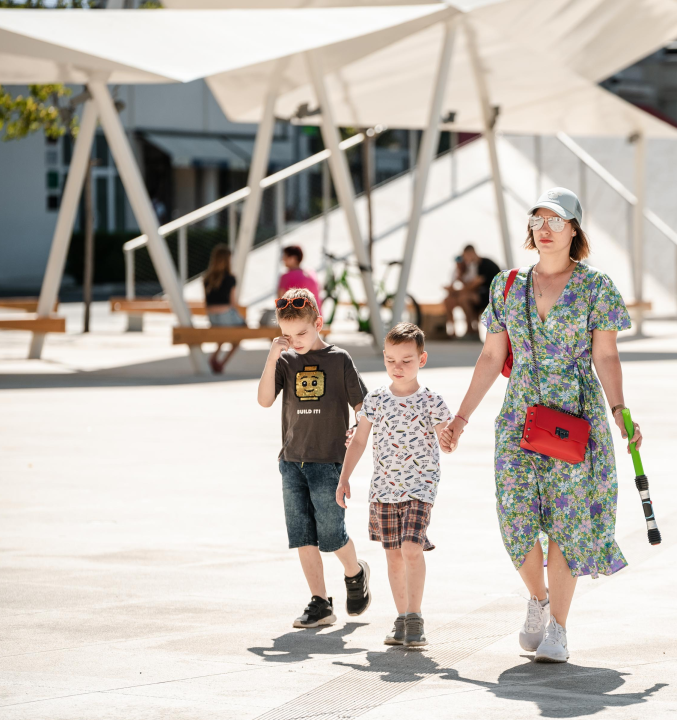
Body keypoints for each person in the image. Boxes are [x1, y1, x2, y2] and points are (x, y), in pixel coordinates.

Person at [439, 187, 641, 663]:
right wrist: (461, 416)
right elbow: (491, 356)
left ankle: (559, 629)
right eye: (537, 220)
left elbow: (606, 354)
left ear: (575, 229)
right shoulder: (506, 286)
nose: (545, 228)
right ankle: (538, 598)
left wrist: (619, 413)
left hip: (574, 414)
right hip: (520, 415)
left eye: (556, 220)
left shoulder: (597, 287)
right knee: (514, 518)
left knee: (568, 522)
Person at [256, 287, 373, 629]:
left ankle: (355, 572)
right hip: (292, 461)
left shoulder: (339, 360)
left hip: (328, 462)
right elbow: (265, 400)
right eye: (286, 335)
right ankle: (320, 603)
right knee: (303, 535)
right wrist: (272, 357)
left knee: (331, 534)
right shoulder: (286, 360)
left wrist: (356, 427)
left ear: (318, 323)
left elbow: (364, 406)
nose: (295, 341)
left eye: (302, 333)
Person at [335, 322, 453, 648]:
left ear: (422, 359)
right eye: (390, 360)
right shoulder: (374, 401)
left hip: (420, 488)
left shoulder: (432, 401)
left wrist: (449, 440)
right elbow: (358, 442)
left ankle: (415, 618)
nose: (397, 367)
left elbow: (447, 437)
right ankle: (401, 618)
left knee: (412, 549)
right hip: (384, 490)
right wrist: (344, 478)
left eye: (406, 360)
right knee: (392, 556)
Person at [203, 244, 245, 374]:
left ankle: (214, 357)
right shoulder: (230, 278)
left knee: (223, 334)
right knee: (241, 333)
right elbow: (233, 303)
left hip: (212, 316)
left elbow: (206, 301)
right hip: (225, 313)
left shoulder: (207, 278)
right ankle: (221, 363)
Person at [442, 245, 500, 337]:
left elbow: (474, 285)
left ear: (471, 254)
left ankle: (471, 330)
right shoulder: (475, 266)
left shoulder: (485, 264)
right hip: (484, 295)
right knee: (457, 299)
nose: (465, 259)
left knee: (464, 298)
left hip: (494, 297)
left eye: (465, 256)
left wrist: (458, 290)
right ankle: (467, 330)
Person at [278, 245, 322, 312]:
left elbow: (281, 303)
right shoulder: (312, 272)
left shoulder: (285, 277)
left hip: (295, 318)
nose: (283, 259)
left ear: (293, 258)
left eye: (285, 256)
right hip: (316, 316)